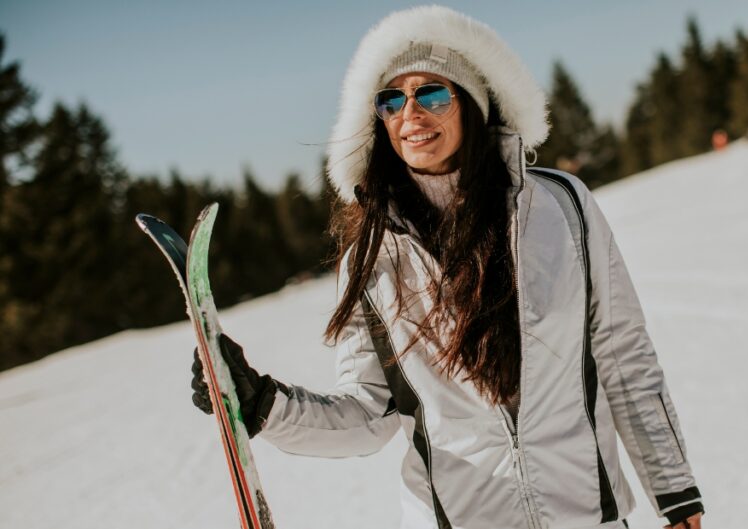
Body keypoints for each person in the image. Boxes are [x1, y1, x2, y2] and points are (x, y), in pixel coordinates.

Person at [190, 6, 704, 529]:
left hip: (586, 515)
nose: (410, 114)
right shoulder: (371, 260)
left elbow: (623, 353)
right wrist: (263, 405)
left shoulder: (560, 207)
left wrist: (675, 490)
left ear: (473, 106)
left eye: (431, 93)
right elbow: (369, 414)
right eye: (391, 100)